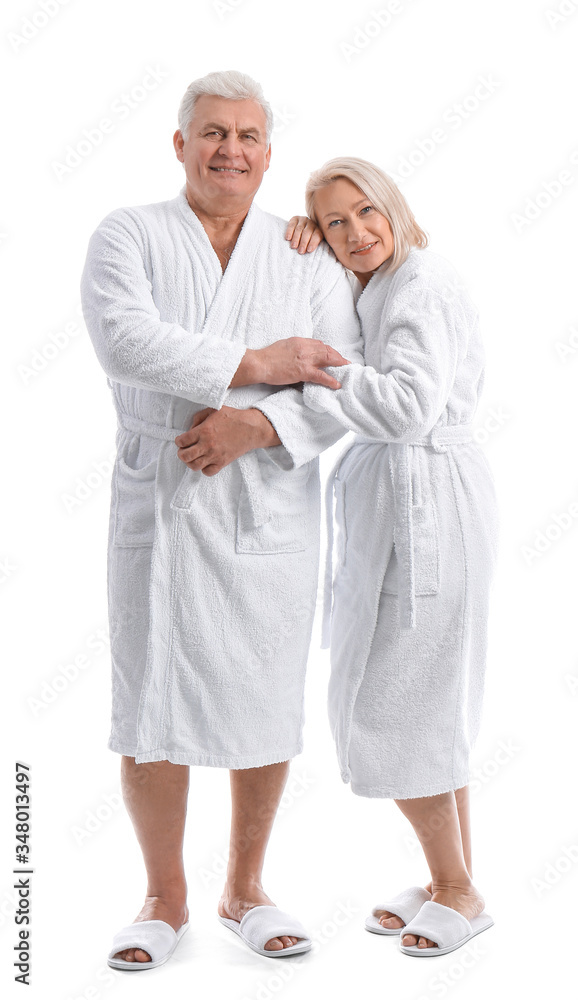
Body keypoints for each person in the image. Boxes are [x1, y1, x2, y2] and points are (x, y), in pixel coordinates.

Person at [80, 71, 365, 970]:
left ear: (268, 155)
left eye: (246, 135)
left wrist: (259, 423)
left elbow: (339, 376)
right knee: (150, 700)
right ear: (179, 144)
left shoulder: (304, 249)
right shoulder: (127, 233)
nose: (229, 149)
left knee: (263, 695)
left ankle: (246, 887)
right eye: (211, 132)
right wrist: (255, 358)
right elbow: (125, 337)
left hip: (265, 501)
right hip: (160, 498)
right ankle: (164, 896)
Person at [215, 158, 500, 957]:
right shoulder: (378, 283)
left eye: (365, 212)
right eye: (335, 222)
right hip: (402, 493)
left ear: (394, 205)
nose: (356, 232)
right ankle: (453, 877)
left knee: (404, 699)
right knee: (427, 693)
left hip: (430, 496)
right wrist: (311, 242)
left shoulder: (423, 284)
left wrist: (315, 366)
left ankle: (458, 887)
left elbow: (409, 406)